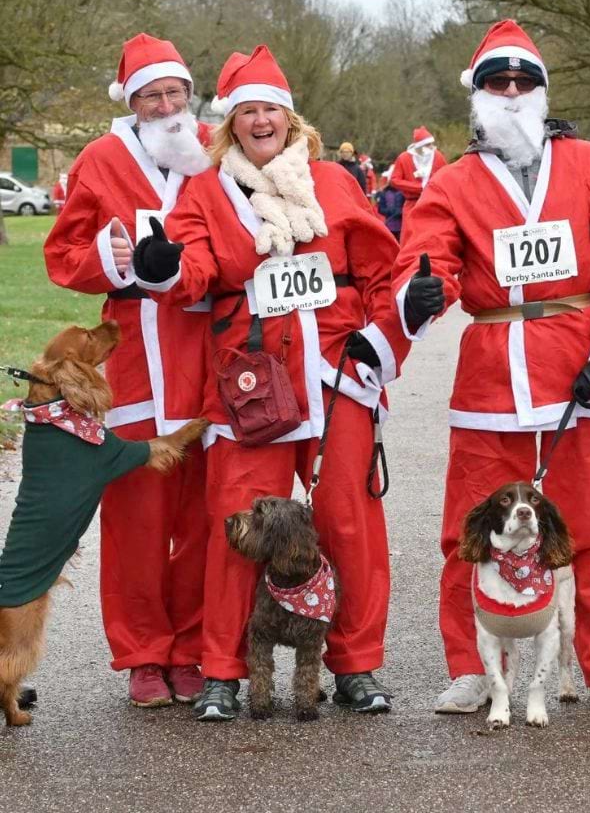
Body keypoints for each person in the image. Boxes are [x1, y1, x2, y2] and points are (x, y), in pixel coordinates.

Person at [129, 45, 410, 720]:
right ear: (231, 123)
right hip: (250, 385)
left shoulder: (336, 184)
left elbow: (381, 272)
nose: (261, 120)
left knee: (349, 522)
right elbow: (189, 272)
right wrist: (161, 264)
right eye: (248, 110)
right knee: (238, 528)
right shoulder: (205, 192)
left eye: (271, 109)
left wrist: (383, 339)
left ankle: (354, 666)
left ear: (290, 117)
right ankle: (223, 672)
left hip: (337, 375)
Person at [393, 19, 590, 713]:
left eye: (523, 80)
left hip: (580, 365)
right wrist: (423, 292)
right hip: (492, 377)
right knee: (470, 529)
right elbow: (427, 257)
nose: (511, 91)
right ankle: (474, 665)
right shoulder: (452, 181)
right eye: (496, 81)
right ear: (476, 95)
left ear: (541, 90)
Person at [43, 33, 213, 707]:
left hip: (205, 348)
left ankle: (195, 647)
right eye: (152, 94)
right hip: (134, 352)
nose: (166, 103)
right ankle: (145, 653)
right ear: (132, 101)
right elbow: (65, 255)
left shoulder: (213, 147)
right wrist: (114, 260)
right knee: (136, 515)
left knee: (204, 513)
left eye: (175, 91)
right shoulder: (101, 158)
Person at [390, 126, 447, 242]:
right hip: (412, 203)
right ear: (420, 146)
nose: (432, 147)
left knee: (432, 235)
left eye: (432, 144)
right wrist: (418, 187)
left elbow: (445, 177)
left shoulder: (438, 156)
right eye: (428, 145)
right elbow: (394, 180)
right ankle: (409, 259)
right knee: (410, 237)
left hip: (433, 203)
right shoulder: (404, 158)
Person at [376, 172, 404, 241]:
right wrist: (390, 211)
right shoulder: (384, 193)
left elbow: (407, 206)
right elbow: (380, 209)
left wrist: (401, 211)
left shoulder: (403, 193)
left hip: (402, 227)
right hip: (389, 224)